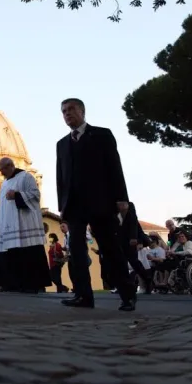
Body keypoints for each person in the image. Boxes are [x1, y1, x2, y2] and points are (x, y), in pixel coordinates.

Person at [56, 98, 136, 311]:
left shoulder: (102, 135)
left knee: (110, 249)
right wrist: (61, 204)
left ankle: (127, 295)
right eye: (63, 111)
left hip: (100, 202)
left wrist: (121, 198)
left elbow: (114, 167)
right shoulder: (62, 144)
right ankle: (83, 295)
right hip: (74, 206)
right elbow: (60, 177)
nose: (67, 114)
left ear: (82, 111)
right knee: (77, 252)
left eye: (71, 109)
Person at [0, 157, 52, 293]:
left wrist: (17, 195)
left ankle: (32, 285)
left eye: (2, 170)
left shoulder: (26, 177)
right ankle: (15, 284)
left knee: (28, 255)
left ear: (10, 166)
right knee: (12, 256)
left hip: (25, 225)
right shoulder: (4, 184)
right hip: (9, 226)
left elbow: (35, 195)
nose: (1, 173)